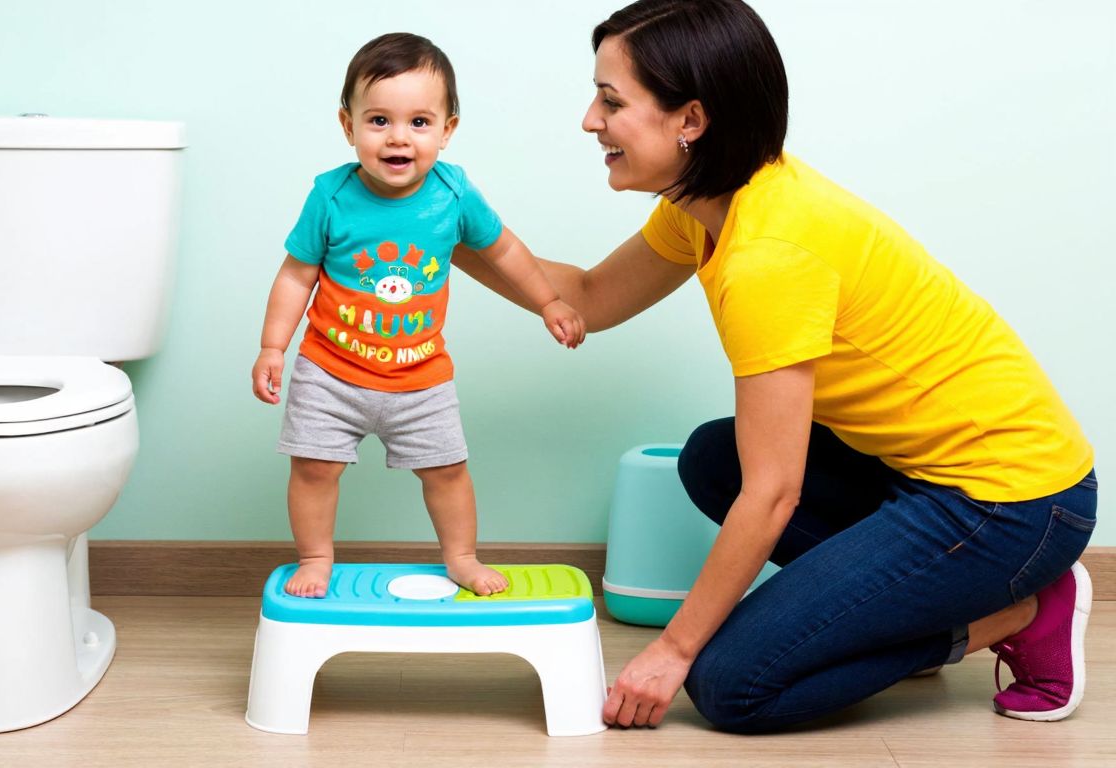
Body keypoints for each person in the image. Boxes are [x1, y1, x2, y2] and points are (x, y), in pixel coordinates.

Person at [454, 0, 1096, 733]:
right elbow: (590, 297)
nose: (589, 120)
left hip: (1013, 504)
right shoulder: (710, 200)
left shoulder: (770, 255)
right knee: (712, 460)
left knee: (732, 685)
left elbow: (774, 493)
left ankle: (1019, 611)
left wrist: (674, 649)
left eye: (611, 101)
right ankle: (917, 606)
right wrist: (441, 227)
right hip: (921, 476)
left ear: (691, 120)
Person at [252, 33, 586, 599]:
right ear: (348, 125)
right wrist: (272, 346)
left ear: (447, 130)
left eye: (419, 122)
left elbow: (504, 250)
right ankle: (315, 557)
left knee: (448, 471)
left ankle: (461, 557)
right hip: (330, 370)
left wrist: (548, 301)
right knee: (312, 468)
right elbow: (295, 275)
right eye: (379, 120)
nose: (398, 137)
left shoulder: (453, 193)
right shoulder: (330, 196)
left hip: (420, 376)